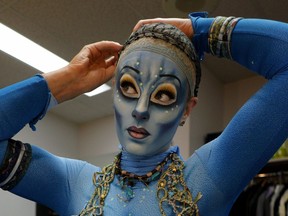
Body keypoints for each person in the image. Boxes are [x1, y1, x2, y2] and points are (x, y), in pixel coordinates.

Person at [1, 11, 288, 216]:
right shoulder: (74, 183)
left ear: (187, 109)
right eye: (128, 87)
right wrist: (63, 82)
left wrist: (199, 31)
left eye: (163, 94)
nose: (140, 110)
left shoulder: (210, 178)